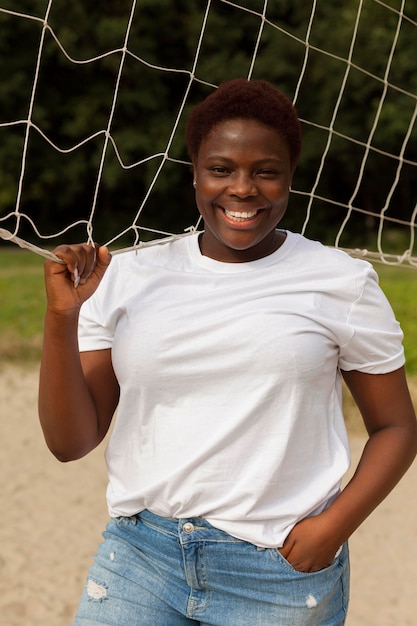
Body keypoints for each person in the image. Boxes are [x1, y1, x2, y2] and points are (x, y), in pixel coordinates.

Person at [39, 78, 417, 626]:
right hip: (142, 553)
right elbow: (70, 442)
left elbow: (396, 427)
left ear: (291, 177)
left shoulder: (341, 282)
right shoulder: (127, 276)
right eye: (221, 169)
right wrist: (61, 317)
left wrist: (333, 528)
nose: (242, 188)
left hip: (277, 568)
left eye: (266, 171)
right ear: (194, 172)